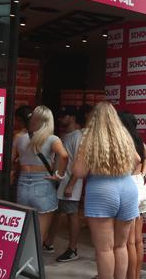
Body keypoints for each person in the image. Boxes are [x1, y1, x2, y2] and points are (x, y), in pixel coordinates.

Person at [72, 102, 139, 279]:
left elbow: (79, 171)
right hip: (127, 188)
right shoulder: (124, 136)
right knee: (121, 245)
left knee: (104, 248)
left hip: (101, 190)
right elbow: (137, 160)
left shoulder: (90, 140)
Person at [13, 105, 69, 246]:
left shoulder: (20, 138)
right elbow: (64, 156)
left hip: (23, 183)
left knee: (23, 229)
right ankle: (34, 265)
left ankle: (21, 262)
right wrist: (59, 175)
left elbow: (12, 159)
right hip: (43, 183)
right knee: (39, 234)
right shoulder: (52, 139)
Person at [44, 105, 87, 262]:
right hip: (60, 183)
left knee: (71, 215)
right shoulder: (65, 135)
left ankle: (73, 248)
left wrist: (71, 185)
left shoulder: (78, 137)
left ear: (73, 118)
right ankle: (48, 242)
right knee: (57, 213)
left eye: (64, 116)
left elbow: (80, 163)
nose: (61, 119)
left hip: (70, 184)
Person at [118, 111, 146, 279]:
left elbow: (139, 159)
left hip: (130, 186)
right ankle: (136, 275)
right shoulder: (138, 139)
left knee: (130, 241)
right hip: (141, 186)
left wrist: (131, 173)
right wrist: (142, 175)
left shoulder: (124, 141)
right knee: (138, 240)